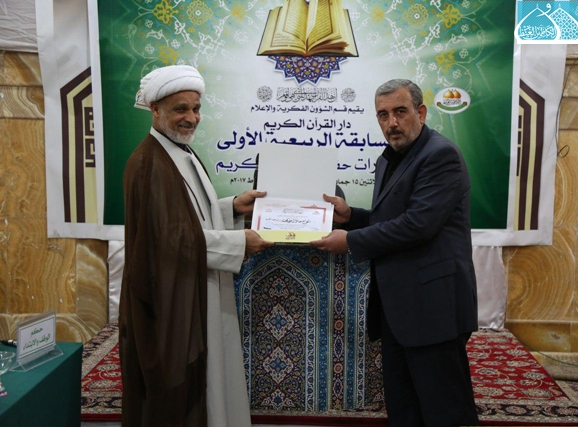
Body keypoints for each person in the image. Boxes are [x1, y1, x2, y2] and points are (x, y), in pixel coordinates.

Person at [310, 79, 479, 426]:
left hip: (433, 307)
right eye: (383, 115)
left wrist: (350, 241)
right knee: (404, 409)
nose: (392, 123)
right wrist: (350, 216)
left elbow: (418, 225)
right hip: (398, 307)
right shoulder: (389, 158)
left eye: (400, 112)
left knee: (445, 411)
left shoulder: (440, 155)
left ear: (421, 112)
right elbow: (389, 219)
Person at [119, 64, 274, 427]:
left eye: (196, 108)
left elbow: (188, 215)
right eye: (180, 109)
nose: (191, 118)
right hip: (171, 301)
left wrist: (231, 206)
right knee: (181, 394)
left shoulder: (178, 151)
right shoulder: (149, 163)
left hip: (196, 287)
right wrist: (240, 241)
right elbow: (168, 239)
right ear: (155, 109)